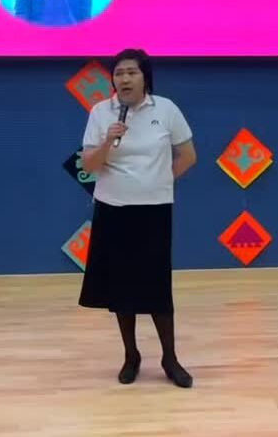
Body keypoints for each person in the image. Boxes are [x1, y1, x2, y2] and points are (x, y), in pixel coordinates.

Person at [78, 48, 197, 388]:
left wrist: (160, 181)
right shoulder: (101, 113)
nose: (124, 79)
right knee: (121, 288)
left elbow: (188, 155)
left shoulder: (166, 109)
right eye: (118, 73)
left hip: (153, 210)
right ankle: (131, 356)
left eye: (131, 72)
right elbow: (89, 165)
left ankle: (170, 358)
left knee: (156, 286)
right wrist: (107, 141)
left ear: (146, 77)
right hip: (112, 209)